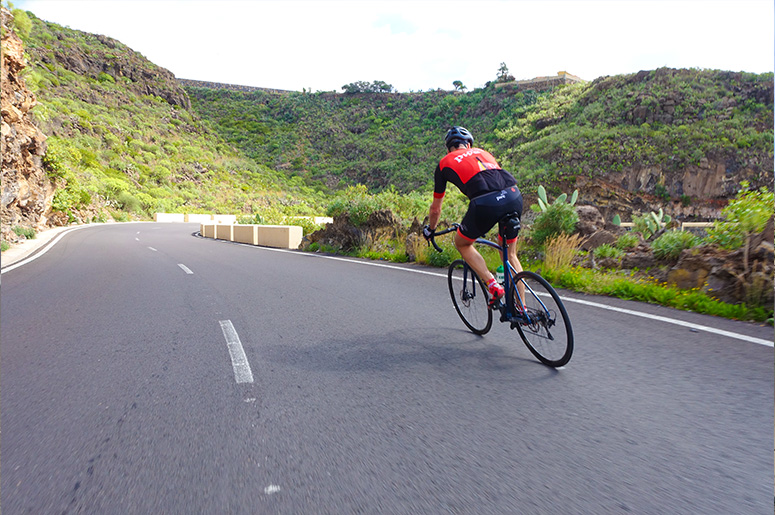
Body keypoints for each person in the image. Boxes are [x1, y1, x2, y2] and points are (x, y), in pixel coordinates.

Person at [423, 126, 524, 305]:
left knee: (462, 242)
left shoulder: (444, 162)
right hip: (513, 194)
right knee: (509, 254)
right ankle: (522, 308)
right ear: (468, 144)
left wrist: (431, 230)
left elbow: (435, 209)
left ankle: (493, 285)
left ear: (448, 149)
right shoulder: (484, 153)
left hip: (486, 203)